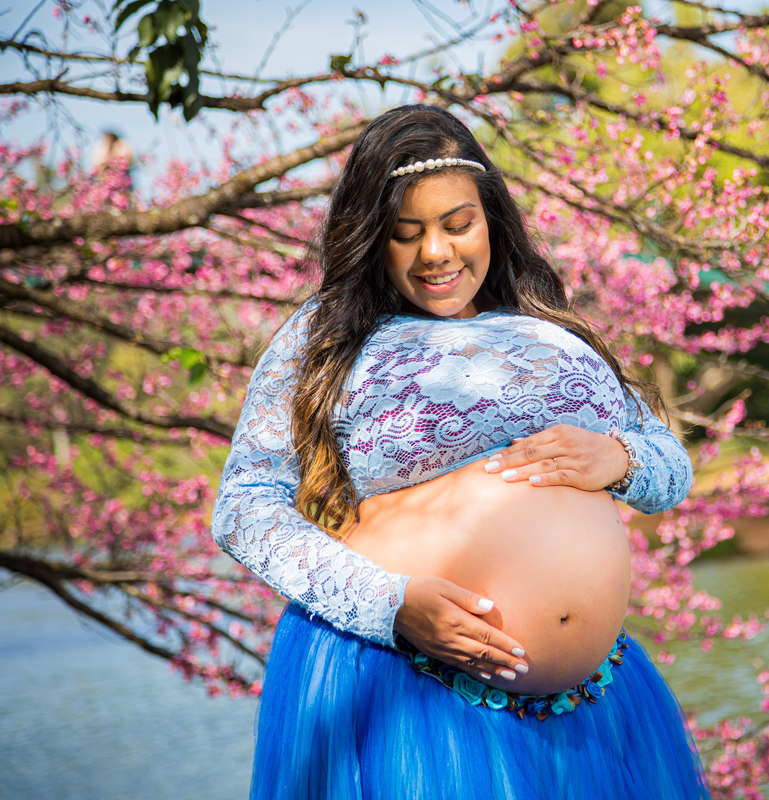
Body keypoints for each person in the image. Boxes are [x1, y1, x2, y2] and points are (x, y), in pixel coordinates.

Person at [211, 104, 709, 799]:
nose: (437, 252)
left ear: (491, 220)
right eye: (405, 233)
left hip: (594, 708)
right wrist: (392, 605)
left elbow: (669, 467)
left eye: (457, 224)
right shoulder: (321, 336)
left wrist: (623, 459)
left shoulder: (546, 326)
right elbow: (244, 507)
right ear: (371, 237)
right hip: (404, 694)